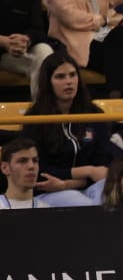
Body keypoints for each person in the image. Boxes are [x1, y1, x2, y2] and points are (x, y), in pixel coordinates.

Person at [22, 50, 113, 205]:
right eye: (60, 77)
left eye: (72, 75)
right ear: (48, 82)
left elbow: (103, 167)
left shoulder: (93, 113)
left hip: (84, 185)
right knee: (84, 205)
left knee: (110, 195)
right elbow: (40, 171)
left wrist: (68, 183)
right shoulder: (35, 119)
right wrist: (88, 171)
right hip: (49, 191)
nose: (69, 82)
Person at [0, 135, 47, 209]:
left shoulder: (46, 209)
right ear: (5, 168)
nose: (31, 166)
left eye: (35, 160)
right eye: (22, 161)